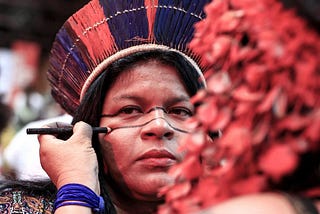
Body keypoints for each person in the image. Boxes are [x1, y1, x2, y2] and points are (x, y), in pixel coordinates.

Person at [0, 0, 318, 214]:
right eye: (130, 110)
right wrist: (75, 189)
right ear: (87, 134)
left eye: (181, 111)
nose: (159, 126)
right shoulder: (18, 207)